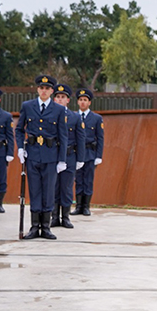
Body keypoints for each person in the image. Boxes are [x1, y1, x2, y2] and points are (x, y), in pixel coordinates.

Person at [15, 75, 67, 239]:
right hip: (32, 154)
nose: (44, 91)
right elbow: (19, 129)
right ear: (38, 89)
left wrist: (62, 159)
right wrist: (20, 148)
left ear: (51, 91)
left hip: (51, 155)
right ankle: (34, 226)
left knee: (49, 192)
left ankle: (46, 227)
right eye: (41, 88)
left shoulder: (58, 109)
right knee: (35, 190)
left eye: (47, 88)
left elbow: (63, 136)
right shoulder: (28, 106)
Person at [50, 83, 85, 228]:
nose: (59, 99)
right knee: (53, 187)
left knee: (66, 187)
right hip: (52, 156)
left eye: (63, 97)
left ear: (68, 100)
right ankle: (54, 217)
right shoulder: (49, 116)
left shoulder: (75, 117)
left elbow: (81, 139)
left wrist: (80, 159)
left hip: (70, 156)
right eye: (57, 97)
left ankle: (65, 217)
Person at [72, 88, 103, 216]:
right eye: (81, 100)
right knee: (78, 179)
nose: (83, 102)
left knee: (88, 180)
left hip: (90, 153)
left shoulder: (96, 118)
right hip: (77, 153)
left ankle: (86, 206)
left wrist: (99, 156)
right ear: (77, 102)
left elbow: (100, 137)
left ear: (89, 102)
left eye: (85, 100)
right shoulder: (73, 116)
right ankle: (78, 206)